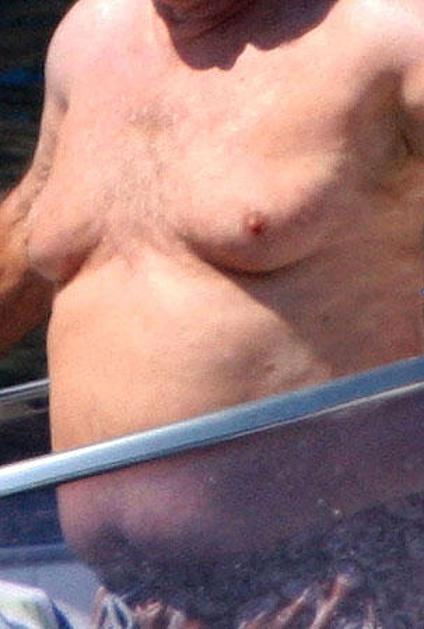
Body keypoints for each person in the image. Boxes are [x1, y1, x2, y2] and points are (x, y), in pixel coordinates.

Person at [1, 0, 424, 625]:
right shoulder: (88, 37)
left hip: (348, 588)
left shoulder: (395, 36)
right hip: (130, 600)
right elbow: (26, 231)